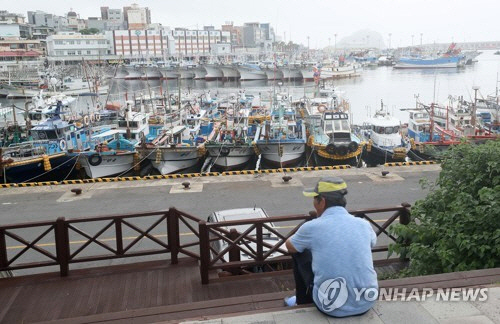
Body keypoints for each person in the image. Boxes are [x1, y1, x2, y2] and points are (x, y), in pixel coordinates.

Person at [285, 177, 378, 317]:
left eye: (315, 198)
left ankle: (301, 300)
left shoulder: (312, 227)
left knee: (299, 252)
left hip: (330, 307)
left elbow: (290, 246)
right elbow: (372, 242)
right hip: (366, 302)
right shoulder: (363, 224)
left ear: (322, 201)